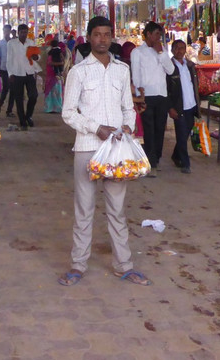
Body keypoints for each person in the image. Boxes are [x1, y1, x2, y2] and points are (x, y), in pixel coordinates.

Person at [59, 16, 151, 287]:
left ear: (112, 37)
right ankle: (78, 265)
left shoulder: (122, 70)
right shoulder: (79, 72)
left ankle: (124, 265)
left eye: (107, 34)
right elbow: (68, 113)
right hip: (88, 148)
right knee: (84, 210)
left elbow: (128, 107)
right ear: (89, 37)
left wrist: (126, 126)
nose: (102, 39)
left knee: (117, 209)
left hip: (116, 152)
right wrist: (95, 128)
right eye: (97, 34)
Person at [131, 21, 175, 173]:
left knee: (159, 128)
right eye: (156, 34)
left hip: (161, 95)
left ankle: (156, 158)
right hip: (146, 96)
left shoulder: (162, 51)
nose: (159, 38)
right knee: (148, 129)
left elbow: (170, 70)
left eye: (160, 35)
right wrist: (138, 97)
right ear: (148, 34)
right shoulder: (137, 52)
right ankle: (150, 161)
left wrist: (161, 53)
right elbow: (136, 76)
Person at [167, 39, 200, 174]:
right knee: (181, 135)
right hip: (178, 107)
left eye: (182, 48)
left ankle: (175, 155)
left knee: (185, 134)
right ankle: (185, 163)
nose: (180, 51)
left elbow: (194, 86)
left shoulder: (190, 66)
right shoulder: (169, 67)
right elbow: (166, 90)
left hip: (191, 105)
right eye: (177, 48)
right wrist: (170, 107)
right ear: (172, 50)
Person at [5, 23, 39, 130]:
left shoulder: (31, 42)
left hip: (29, 72)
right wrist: (10, 73)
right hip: (16, 74)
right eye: (22, 32)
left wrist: (36, 57)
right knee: (19, 99)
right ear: (18, 33)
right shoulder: (11, 43)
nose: (24, 34)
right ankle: (22, 120)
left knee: (33, 96)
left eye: (25, 32)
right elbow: (9, 60)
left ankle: (28, 116)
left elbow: (37, 56)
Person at [0, 25, 14, 116]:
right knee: (6, 88)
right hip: (4, 69)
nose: (6, 33)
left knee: (13, 90)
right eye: (5, 31)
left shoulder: (14, 42)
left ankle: (9, 110)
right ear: (3, 31)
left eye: (8, 31)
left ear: (10, 31)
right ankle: (0, 105)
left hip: (14, 69)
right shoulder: (0, 44)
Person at [44, 39, 65, 113]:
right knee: (57, 91)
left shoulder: (50, 53)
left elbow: (49, 63)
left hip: (52, 75)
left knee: (53, 91)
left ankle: (51, 107)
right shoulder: (59, 51)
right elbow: (61, 60)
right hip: (56, 75)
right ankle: (57, 107)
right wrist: (60, 64)